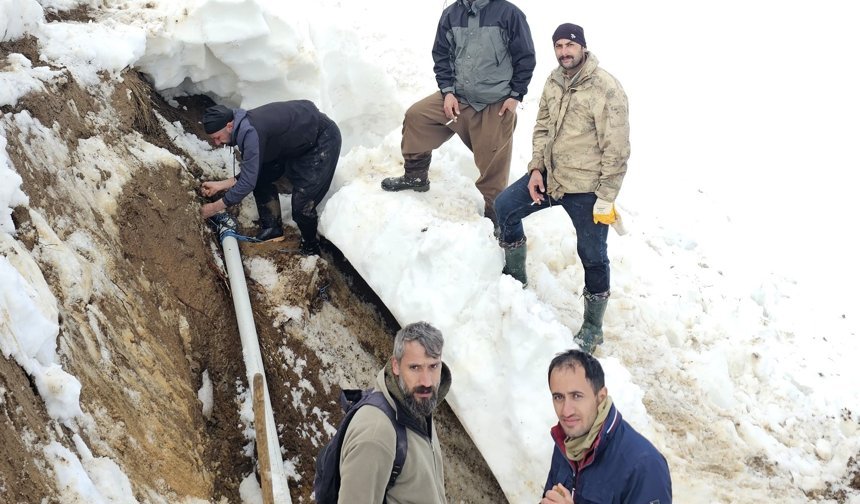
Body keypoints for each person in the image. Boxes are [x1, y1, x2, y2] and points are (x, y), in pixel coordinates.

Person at [494, 23, 630, 352]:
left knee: (593, 257)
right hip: (550, 179)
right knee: (504, 208)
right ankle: (515, 278)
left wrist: (606, 198)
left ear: (583, 46)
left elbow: (617, 148)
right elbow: (542, 127)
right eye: (558, 46)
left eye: (570, 45)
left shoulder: (606, 88)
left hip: (587, 190)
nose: (564, 52)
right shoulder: (554, 80)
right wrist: (537, 168)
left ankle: (593, 328)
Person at [381, 0, 536, 227]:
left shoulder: (509, 13)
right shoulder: (451, 15)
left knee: (493, 162)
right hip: (458, 98)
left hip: (495, 103)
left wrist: (515, 95)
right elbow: (442, 56)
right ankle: (416, 176)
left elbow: (525, 57)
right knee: (417, 117)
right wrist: (448, 92)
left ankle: (495, 214)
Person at [199, 100, 341, 255]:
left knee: (302, 206)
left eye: (218, 137)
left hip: (322, 139)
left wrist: (213, 208)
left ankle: (311, 246)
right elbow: (251, 174)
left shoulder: (250, 132)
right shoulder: (242, 124)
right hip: (296, 140)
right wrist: (221, 185)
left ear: (229, 126)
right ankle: (272, 228)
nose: (217, 142)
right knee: (260, 177)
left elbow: (247, 183)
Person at [338, 322, 451, 503]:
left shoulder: (417, 405)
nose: (427, 381)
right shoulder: (375, 435)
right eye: (415, 367)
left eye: (433, 366)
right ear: (396, 366)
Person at [541, 350, 672, 504]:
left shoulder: (645, 466)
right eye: (558, 397)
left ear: (600, 397)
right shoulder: (567, 442)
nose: (566, 411)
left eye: (576, 396)